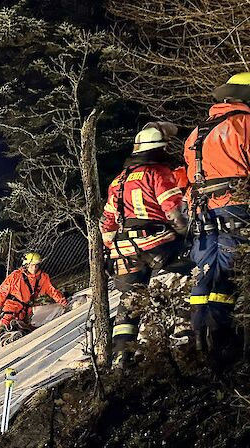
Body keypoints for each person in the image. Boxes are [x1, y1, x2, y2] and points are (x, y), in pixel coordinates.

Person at [100, 122, 190, 367]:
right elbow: (175, 214)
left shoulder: (118, 181)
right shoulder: (158, 173)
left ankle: (121, 358)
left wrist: (112, 249)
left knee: (129, 305)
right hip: (159, 245)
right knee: (187, 277)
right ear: (159, 149)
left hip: (123, 253)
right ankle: (184, 341)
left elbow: (107, 222)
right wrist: (187, 235)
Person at [184, 73, 250, 362]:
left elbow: (191, 175)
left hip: (202, 212)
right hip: (237, 207)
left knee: (206, 274)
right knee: (234, 273)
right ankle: (227, 343)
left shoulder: (197, 133)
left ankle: (200, 338)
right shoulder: (244, 124)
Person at [0, 251, 68, 350]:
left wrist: (64, 303)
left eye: (36, 265)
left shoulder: (43, 278)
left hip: (26, 309)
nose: (34, 268)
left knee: (25, 329)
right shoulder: (15, 276)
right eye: (32, 265)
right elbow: (3, 291)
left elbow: (52, 291)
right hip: (12, 305)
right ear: (27, 265)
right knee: (4, 323)